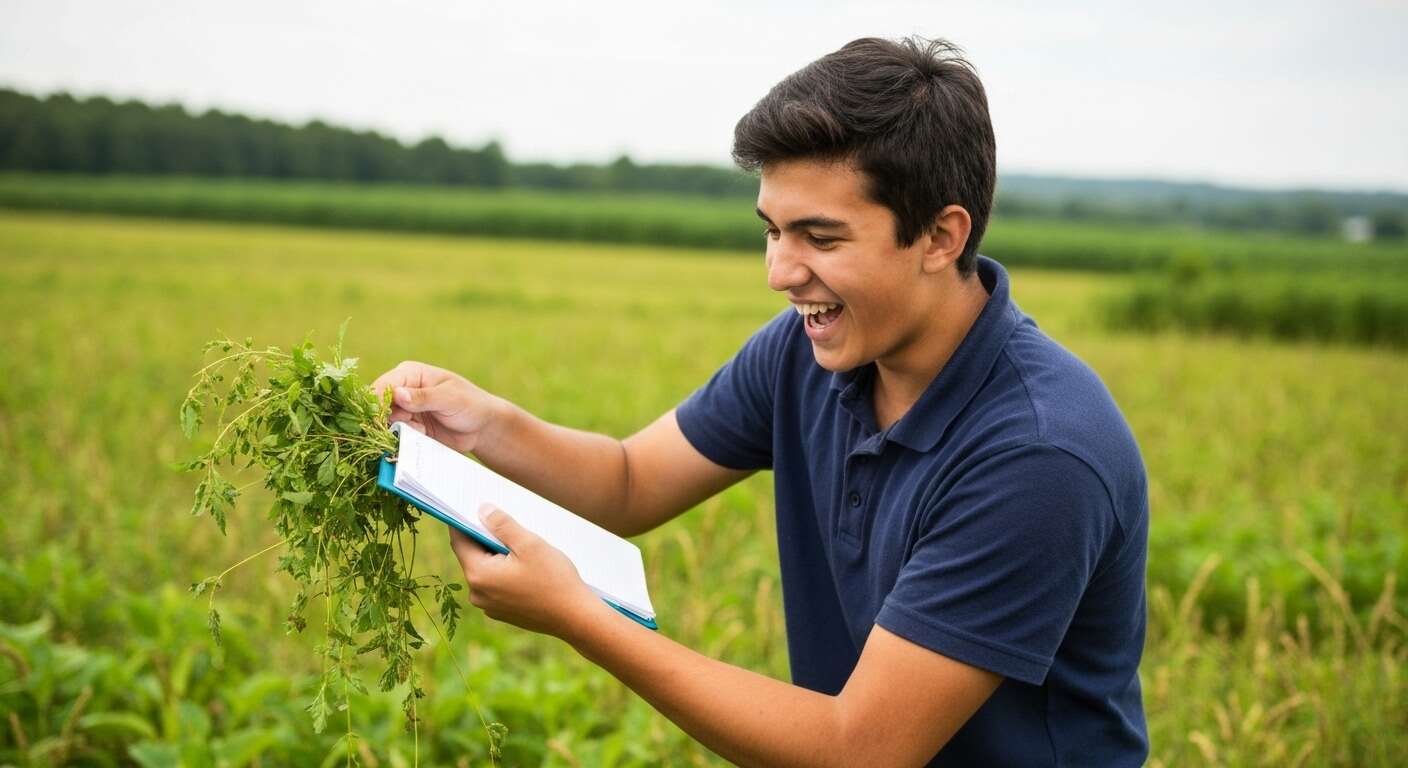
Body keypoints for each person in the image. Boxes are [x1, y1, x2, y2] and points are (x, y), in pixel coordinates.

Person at [373, 36, 1149, 767]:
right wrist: (485, 424)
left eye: (821, 236)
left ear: (942, 237)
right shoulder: (806, 352)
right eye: (772, 230)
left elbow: (860, 750)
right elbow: (629, 481)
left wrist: (580, 617)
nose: (781, 271)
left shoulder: (1038, 453)